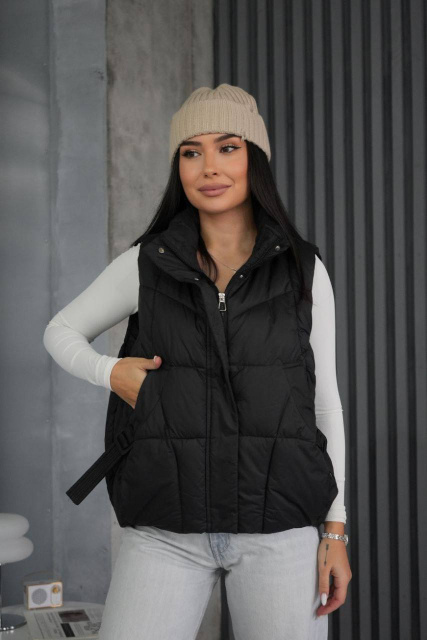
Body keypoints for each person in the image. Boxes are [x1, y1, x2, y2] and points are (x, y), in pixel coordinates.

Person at [43, 84, 352, 639]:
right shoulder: (147, 263)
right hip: (165, 529)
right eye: (191, 152)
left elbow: (324, 404)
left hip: (281, 529)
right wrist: (111, 372)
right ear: (178, 166)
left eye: (227, 147)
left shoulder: (302, 270)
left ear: (254, 159)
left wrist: (335, 529)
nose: (209, 166)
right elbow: (60, 331)